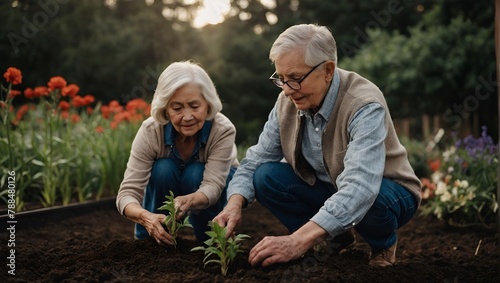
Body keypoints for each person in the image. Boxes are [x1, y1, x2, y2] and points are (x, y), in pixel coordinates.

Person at [213, 24, 421, 267]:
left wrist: (297, 241)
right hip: (330, 186)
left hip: (389, 192)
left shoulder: (363, 104)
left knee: (371, 198)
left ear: (328, 70)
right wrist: (234, 204)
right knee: (265, 176)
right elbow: (256, 160)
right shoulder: (286, 102)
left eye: (295, 78)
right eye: (281, 79)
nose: (288, 90)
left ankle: (383, 243)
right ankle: (335, 238)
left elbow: (360, 186)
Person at [116, 60, 239, 245]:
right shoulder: (151, 131)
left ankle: (211, 238)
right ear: (165, 108)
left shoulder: (222, 130)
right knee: (162, 168)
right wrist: (145, 217)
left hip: (215, 185)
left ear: (207, 104)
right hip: (169, 179)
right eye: (177, 108)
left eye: (195, 106)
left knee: (195, 173)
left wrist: (190, 200)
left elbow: (213, 185)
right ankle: (154, 235)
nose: (187, 116)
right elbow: (126, 193)